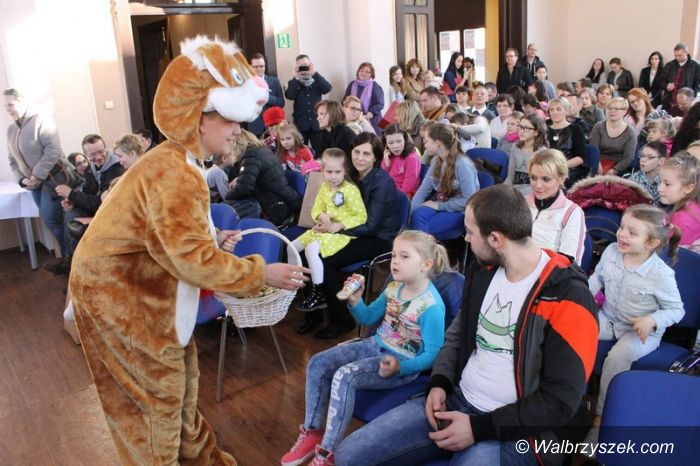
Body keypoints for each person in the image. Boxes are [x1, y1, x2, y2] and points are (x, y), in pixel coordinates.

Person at [69, 36, 309, 465]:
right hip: (122, 297)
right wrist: (260, 273)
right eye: (230, 121)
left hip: (142, 288)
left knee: (177, 385)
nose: (237, 131)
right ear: (201, 119)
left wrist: (212, 239)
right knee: (152, 408)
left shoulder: (178, 161)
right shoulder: (174, 172)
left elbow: (167, 236)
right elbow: (191, 261)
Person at [335, 184, 598, 466]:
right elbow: (457, 336)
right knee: (349, 455)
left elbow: (560, 402)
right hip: (457, 400)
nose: (466, 238)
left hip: (517, 431)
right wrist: (440, 382)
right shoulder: (483, 270)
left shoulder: (568, 296)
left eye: (470, 232)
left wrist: (478, 428)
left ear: (495, 239)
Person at [282, 230, 449, 466]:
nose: (395, 262)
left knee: (344, 377)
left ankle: (326, 454)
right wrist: (355, 300)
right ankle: (312, 432)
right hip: (375, 345)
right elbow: (368, 317)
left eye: (404, 256)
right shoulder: (394, 287)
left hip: (401, 363)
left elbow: (433, 355)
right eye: (394, 255)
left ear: (426, 265)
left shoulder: (431, 306)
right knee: (318, 363)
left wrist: (400, 368)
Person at [586, 204, 684, 445]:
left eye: (632, 232)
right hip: (609, 318)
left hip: (640, 332)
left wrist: (652, 320)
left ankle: (602, 415)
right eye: (622, 227)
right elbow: (596, 278)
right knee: (576, 333)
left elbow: (677, 310)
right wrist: (582, 300)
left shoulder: (661, 274)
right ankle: (573, 396)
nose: (621, 234)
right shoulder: (611, 252)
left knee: (618, 356)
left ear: (651, 243)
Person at [298, 133, 401, 339]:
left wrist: (336, 228)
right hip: (351, 230)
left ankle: (342, 320)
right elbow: (333, 202)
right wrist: (323, 220)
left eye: (366, 154)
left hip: (378, 238)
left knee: (325, 259)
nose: (360, 158)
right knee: (304, 252)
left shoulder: (381, 183)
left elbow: (371, 226)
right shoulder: (351, 173)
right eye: (356, 152)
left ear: (376, 157)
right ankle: (314, 313)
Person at [289, 148, 367, 312]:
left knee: (311, 249)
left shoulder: (350, 190)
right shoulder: (325, 187)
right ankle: (294, 286)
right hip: (323, 230)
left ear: (345, 171)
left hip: (340, 234)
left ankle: (319, 292)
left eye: (337, 172)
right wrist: (320, 216)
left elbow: (361, 216)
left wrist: (341, 224)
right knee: (291, 248)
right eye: (329, 172)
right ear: (323, 171)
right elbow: (316, 209)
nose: (333, 176)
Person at [4, 88, 67, 259]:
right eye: (5, 105)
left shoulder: (42, 120)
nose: (7, 109)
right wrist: (23, 180)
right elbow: (12, 160)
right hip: (33, 185)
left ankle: (69, 257)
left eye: (11, 104)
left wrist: (37, 176)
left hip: (52, 180)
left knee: (52, 220)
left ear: (23, 102)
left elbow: (53, 150)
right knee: (51, 221)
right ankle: (67, 257)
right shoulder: (11, 130)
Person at [56, 134, 125, 262]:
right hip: (96, 210)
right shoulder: (89, 169)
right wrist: (73, 202)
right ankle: (70, 259)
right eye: (92, 155)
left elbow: (100, 202)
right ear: (86, 154)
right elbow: (88, 194)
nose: (98, 157)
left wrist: (71, 194)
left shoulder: (117, 169)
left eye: (101, 151)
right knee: (70, 212)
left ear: (106, 147)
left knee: (72, 219)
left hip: (110, 213)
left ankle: (73, 262)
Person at [410, 124, 479, 237]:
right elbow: (423, 190)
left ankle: (421, 245)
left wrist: (439, 206)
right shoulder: (436, 161)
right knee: (416, 215)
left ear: (437, 143)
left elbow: (469, 200)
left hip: (459, 210)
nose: (424, 145)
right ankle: (420, 243)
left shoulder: (463, 164)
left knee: (425, 226)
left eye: (426, 141)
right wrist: (410, 214)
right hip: (440, 205)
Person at [225, 129, 301, 225]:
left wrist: (226, 196)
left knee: (228, 209)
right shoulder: (261, 150)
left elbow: (244, 189)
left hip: (275, 208)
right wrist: (240, 179)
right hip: (284, 200)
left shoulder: (250, 155)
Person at [526, 149, 586, 263]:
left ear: (561, 179)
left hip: (548, 272)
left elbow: (569, 263)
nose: (538, 185)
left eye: (546, 179)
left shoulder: (572, 212)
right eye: (533, 178)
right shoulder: (520, 203)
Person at [285, 54, 333, 153]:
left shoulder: (317, 80)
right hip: (300, 124)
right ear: (297, 67)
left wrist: (314, 73)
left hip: (317, 123)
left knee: (320, 151)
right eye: (301, 66)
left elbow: (327, 88)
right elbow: (289, 96)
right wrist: (296, 77)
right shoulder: (294, 82)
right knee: (300, 152)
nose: (304, 67)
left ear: (310, 65)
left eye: (305, 65)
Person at [658, 152, 700, 252]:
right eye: (660, 181)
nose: (659, 188)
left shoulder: (681, 221)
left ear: (688, 188)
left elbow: (668, 255)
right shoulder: (693, 205)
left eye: (667, 184)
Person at [590, 97, 637, 175]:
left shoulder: (630, 133)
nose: (612, 111)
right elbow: (593, 150)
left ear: (624, 111)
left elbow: (628, 158)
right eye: (610, 108)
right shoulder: (598, 127)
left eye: (616, 109)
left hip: (618, 167)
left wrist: (614, 170)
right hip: (597, 163)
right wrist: (597, 165)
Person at [547, 97, 588, 187]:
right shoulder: (545, 129)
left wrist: (559, 167)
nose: (554, 112)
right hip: (547, 168)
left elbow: (580, 158)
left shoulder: (575, 129)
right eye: (551, 110)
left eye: (558, 109)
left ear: (566, 111)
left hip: (569, 169)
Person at [505, 112, 548, 194]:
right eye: (520, 127)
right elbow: (510, 177)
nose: (521, 131)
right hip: (514, 190)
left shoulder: (542, 152)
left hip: (531, 191)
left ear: (536, 132)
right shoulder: (515, 147)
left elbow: (539, 182)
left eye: (527, 128)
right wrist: (504, 191)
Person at [247, 53, 285, 137]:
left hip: (273, 126)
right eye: (256, 67)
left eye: (262, 66)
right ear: (250, 67)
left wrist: (267, 97)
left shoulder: (274, 81)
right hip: (255, 126)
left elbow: (281, 103)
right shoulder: (247, 83)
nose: (259, 69)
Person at [381, 123, 422, 198]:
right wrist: (386, 165)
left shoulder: (411, 158)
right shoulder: (388, 155)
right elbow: (382, 178)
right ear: (386, 144)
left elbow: (409, 184)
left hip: (402, 196)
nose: (395, 146)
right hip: (388, 191)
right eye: (390, 143)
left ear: (405, 140)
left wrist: (395, 196)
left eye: (399, 141)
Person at [345, 62, 385, 134]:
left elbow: (380, 104)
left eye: (367, 72)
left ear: (371, 74)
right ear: (358, 72)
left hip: (372, 120)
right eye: (361, 70)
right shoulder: (352, 84)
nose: (363, 73)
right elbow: (345, 101)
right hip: (354, 120)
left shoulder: (375, 86)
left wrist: (370, 113)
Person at [661, 43, 700, 114]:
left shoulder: (696, 66)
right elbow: (661, 81)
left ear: (686, 53)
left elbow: (697, 84)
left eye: (680, 55)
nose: (677, 58)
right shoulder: (669, 65)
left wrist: (691, 96)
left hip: (686, 104)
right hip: (670, 102)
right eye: (675, 55)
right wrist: (666, 86)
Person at [629, 141, 666, 205]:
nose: (643, 160)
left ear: (661, 161)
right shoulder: (634, 181)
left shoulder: (664, 180)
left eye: (650, 157)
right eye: (642, 156)